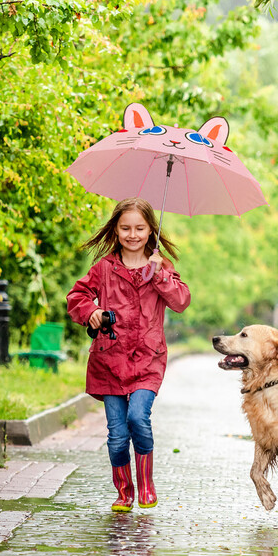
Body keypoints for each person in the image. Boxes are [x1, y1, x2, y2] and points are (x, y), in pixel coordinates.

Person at [67, 198, 191, 512]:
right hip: (109, 361)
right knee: (117, 434)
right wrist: (91, 311)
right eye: (125, 228)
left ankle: (147, 484)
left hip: (148, 360)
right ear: (116, 230)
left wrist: (160, 273)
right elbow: (77, 296)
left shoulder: (161, 267)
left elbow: (181, 301)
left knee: (138, 418)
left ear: (151, 230)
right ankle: (124, 491)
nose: (132, 234)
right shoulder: (105, 268)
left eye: (139, 228)